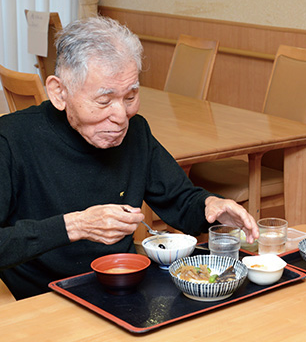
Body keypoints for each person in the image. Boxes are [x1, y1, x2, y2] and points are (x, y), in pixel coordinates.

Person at [0, 17, 259, 300]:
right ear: (60, 92)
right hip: (42, 298)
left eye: (130, 96)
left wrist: (212, 206)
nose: (121, 117)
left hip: (122, 285)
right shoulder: (11, 140)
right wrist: (75, 226)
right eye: (104, 101)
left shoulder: (136, 133)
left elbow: (180, 200)